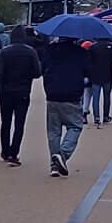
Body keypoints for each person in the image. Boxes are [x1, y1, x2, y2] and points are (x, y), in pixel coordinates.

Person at [41, 36, 94, 177]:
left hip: (52, 93)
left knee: (53, 131)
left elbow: (43, 68)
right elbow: (89, 72)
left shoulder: (50, 50)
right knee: (75, 126)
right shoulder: (80, 52)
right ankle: (62, 155)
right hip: (72, 94)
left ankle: (54, 165)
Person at [0, 26, 43, 167]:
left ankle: (5, 150)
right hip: (23, 91)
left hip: (5, 90)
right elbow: (37, 72)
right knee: (19, 123)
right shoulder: (30, 51)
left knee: (5, 122)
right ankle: (14, 153)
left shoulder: (4, 52)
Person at [85, 37, 112, 125]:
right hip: (107, 73)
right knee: (107, 96)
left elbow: (89, 61)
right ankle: (106, 116)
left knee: (96, 97)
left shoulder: (92, 47)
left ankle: (96, 117)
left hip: (95, 74)